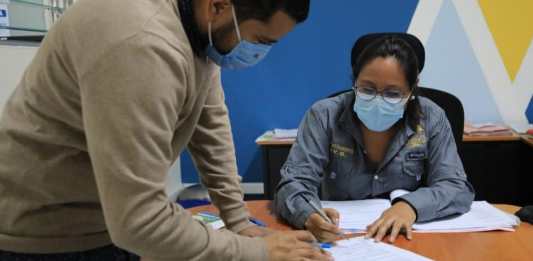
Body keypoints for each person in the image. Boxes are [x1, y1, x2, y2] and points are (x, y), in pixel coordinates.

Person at [0, 0, 333, 260]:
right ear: (218, 6)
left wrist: (239, 221)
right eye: (260, 40)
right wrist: (258, 253)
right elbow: (139, 221)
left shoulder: (200, 31)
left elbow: (210, 121)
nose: (261, 52)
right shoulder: (139, 41)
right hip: (43, 235)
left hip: (107, 222)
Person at [274, 33, 475, 243]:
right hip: (341, 239)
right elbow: (293, 182)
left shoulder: (431, 117)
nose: (378, 100)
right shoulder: (324, 115)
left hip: (407, 236)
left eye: (393, 93)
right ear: (354, 82)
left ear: (412, 88)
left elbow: (455, 186)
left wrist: (410, 206)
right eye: (367, 89)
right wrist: (308, 215)